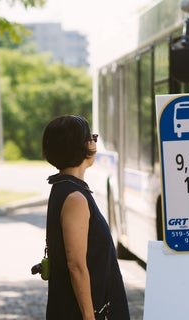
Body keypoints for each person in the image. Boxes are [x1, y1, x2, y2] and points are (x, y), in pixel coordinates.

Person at [42, 115, 130, 320]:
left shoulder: (65, 188)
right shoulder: (75, 198)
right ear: (82, 146)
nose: (94, 142)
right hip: (83, 312)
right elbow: (76, 265)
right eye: (92, 137)